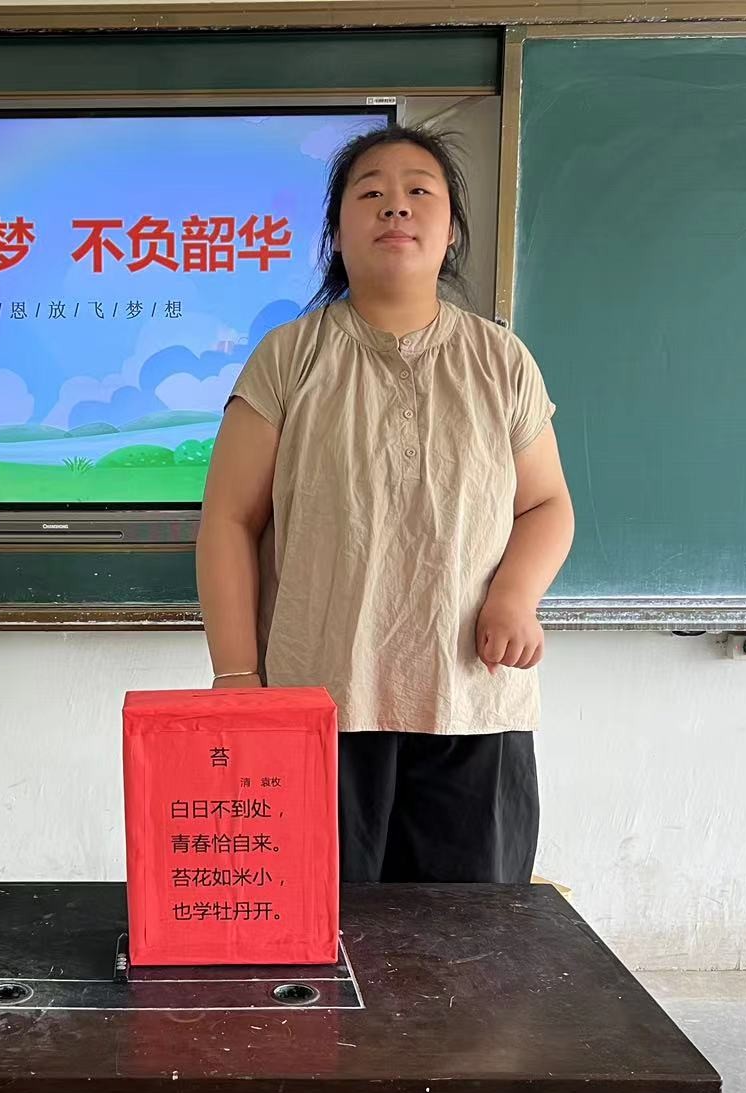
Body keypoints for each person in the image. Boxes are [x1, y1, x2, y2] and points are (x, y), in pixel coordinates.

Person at [197, 123, 574, 886]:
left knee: (469, 938)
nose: (395, 206)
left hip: (473, 702)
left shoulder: (501, 360)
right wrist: (236, 676)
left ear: (452, 230)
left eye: (418, 192)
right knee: (318, 930)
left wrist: (515, 596)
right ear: (336, 235)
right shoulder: (288, 356)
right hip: (318, 701)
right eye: (370, 193)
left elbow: (547, 505)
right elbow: (229, 521)